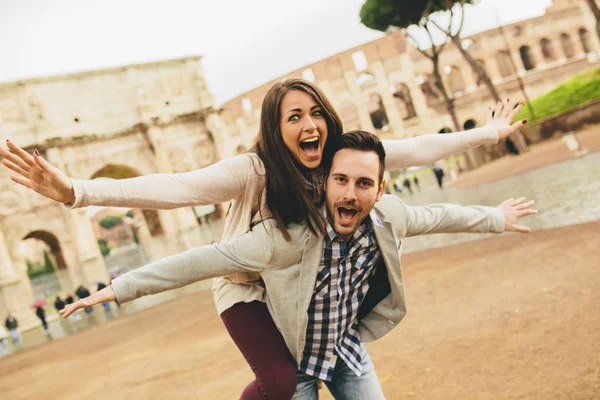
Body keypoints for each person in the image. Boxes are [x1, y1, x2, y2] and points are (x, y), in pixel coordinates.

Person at [1, 81, 526, 399]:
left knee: (322, 348)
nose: (309, 123)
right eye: (293, 117)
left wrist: (486, 133)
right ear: (276, 132)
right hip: (242, 278)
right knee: (279, 382)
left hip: (298, 283)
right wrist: (76, 191)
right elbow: (176, 189)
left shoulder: (344, 158)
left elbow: (412, 149)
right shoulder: (254, 170)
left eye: (316, 112)